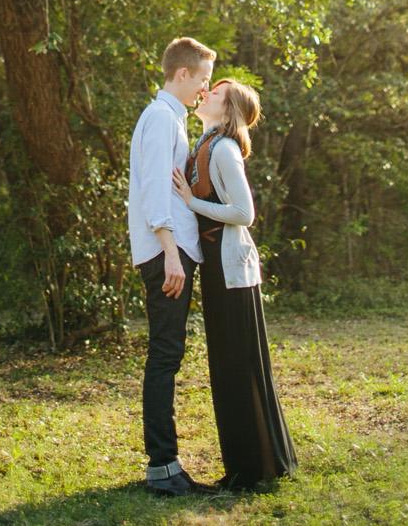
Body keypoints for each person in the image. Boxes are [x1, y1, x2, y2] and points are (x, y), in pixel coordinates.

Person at [172, 78, 297, 490]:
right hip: (218, 268)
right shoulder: (205, 144)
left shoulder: (224, 149)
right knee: (229, 368)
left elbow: (244, 213)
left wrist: (191, 202)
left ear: (228, 112)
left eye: (217, 93)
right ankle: (258, 464)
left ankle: (252, 471)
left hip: (232, 271)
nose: (206, 94)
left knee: (237, 368)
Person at [127, 35, 217, 497]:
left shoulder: (170, 118)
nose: (204, 89)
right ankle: (162, 468)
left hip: (173, 251)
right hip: (168, 254)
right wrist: (169, 252)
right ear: (182, 74)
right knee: (164, 357)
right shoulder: (161, 119)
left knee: (168, 355)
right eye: (202, 79)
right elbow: (151, 190)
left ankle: (165, 464)